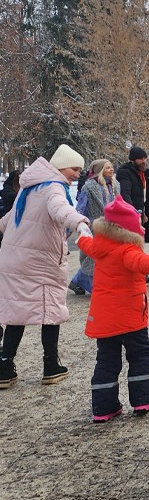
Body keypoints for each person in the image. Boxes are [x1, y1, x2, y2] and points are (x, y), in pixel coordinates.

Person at [0, 144, 90, 389]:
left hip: (16, 259)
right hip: (39, 261)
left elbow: (8, 221)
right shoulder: (53, 187)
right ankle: (51, 365)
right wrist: (80, 224)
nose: (77, 174)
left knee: (16, 312)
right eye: (74, 168)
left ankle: (4, 367)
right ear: (61, 166)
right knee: (50, 310)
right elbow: (60, 210)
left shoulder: (31, 188)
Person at [76, 198, 149, 422]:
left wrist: (81, 230)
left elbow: (84, 242)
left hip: (104, 319)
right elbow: (148, 265)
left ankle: (103, 408)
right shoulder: (127, 251)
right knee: (140, 356)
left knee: (106, 360)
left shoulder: (99, 246)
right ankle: (141, 400)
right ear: (129, 231)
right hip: (129, 318)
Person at [69, 159, 119, 295]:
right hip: (94, 227)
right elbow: (81, 207)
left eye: (112, 167)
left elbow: (120, 204)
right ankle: (86, 283)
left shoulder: (115, 186)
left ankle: (79, 281)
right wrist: (80, 222)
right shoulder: (89, 187)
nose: (112, 169)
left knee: (105, 256)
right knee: (93, 257)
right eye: (108, 167)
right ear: (100, 170)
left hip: (111, 227)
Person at [116, 146, 149, 246]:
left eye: (144, 158)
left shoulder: (142, 173)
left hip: (146, 208)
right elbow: (125, 193)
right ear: (133, 160)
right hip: (135, 210)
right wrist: (132, 211)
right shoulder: (124, 172)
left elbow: (147, 189)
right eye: (140, 159)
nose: (143, 161)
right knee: (134, 241)